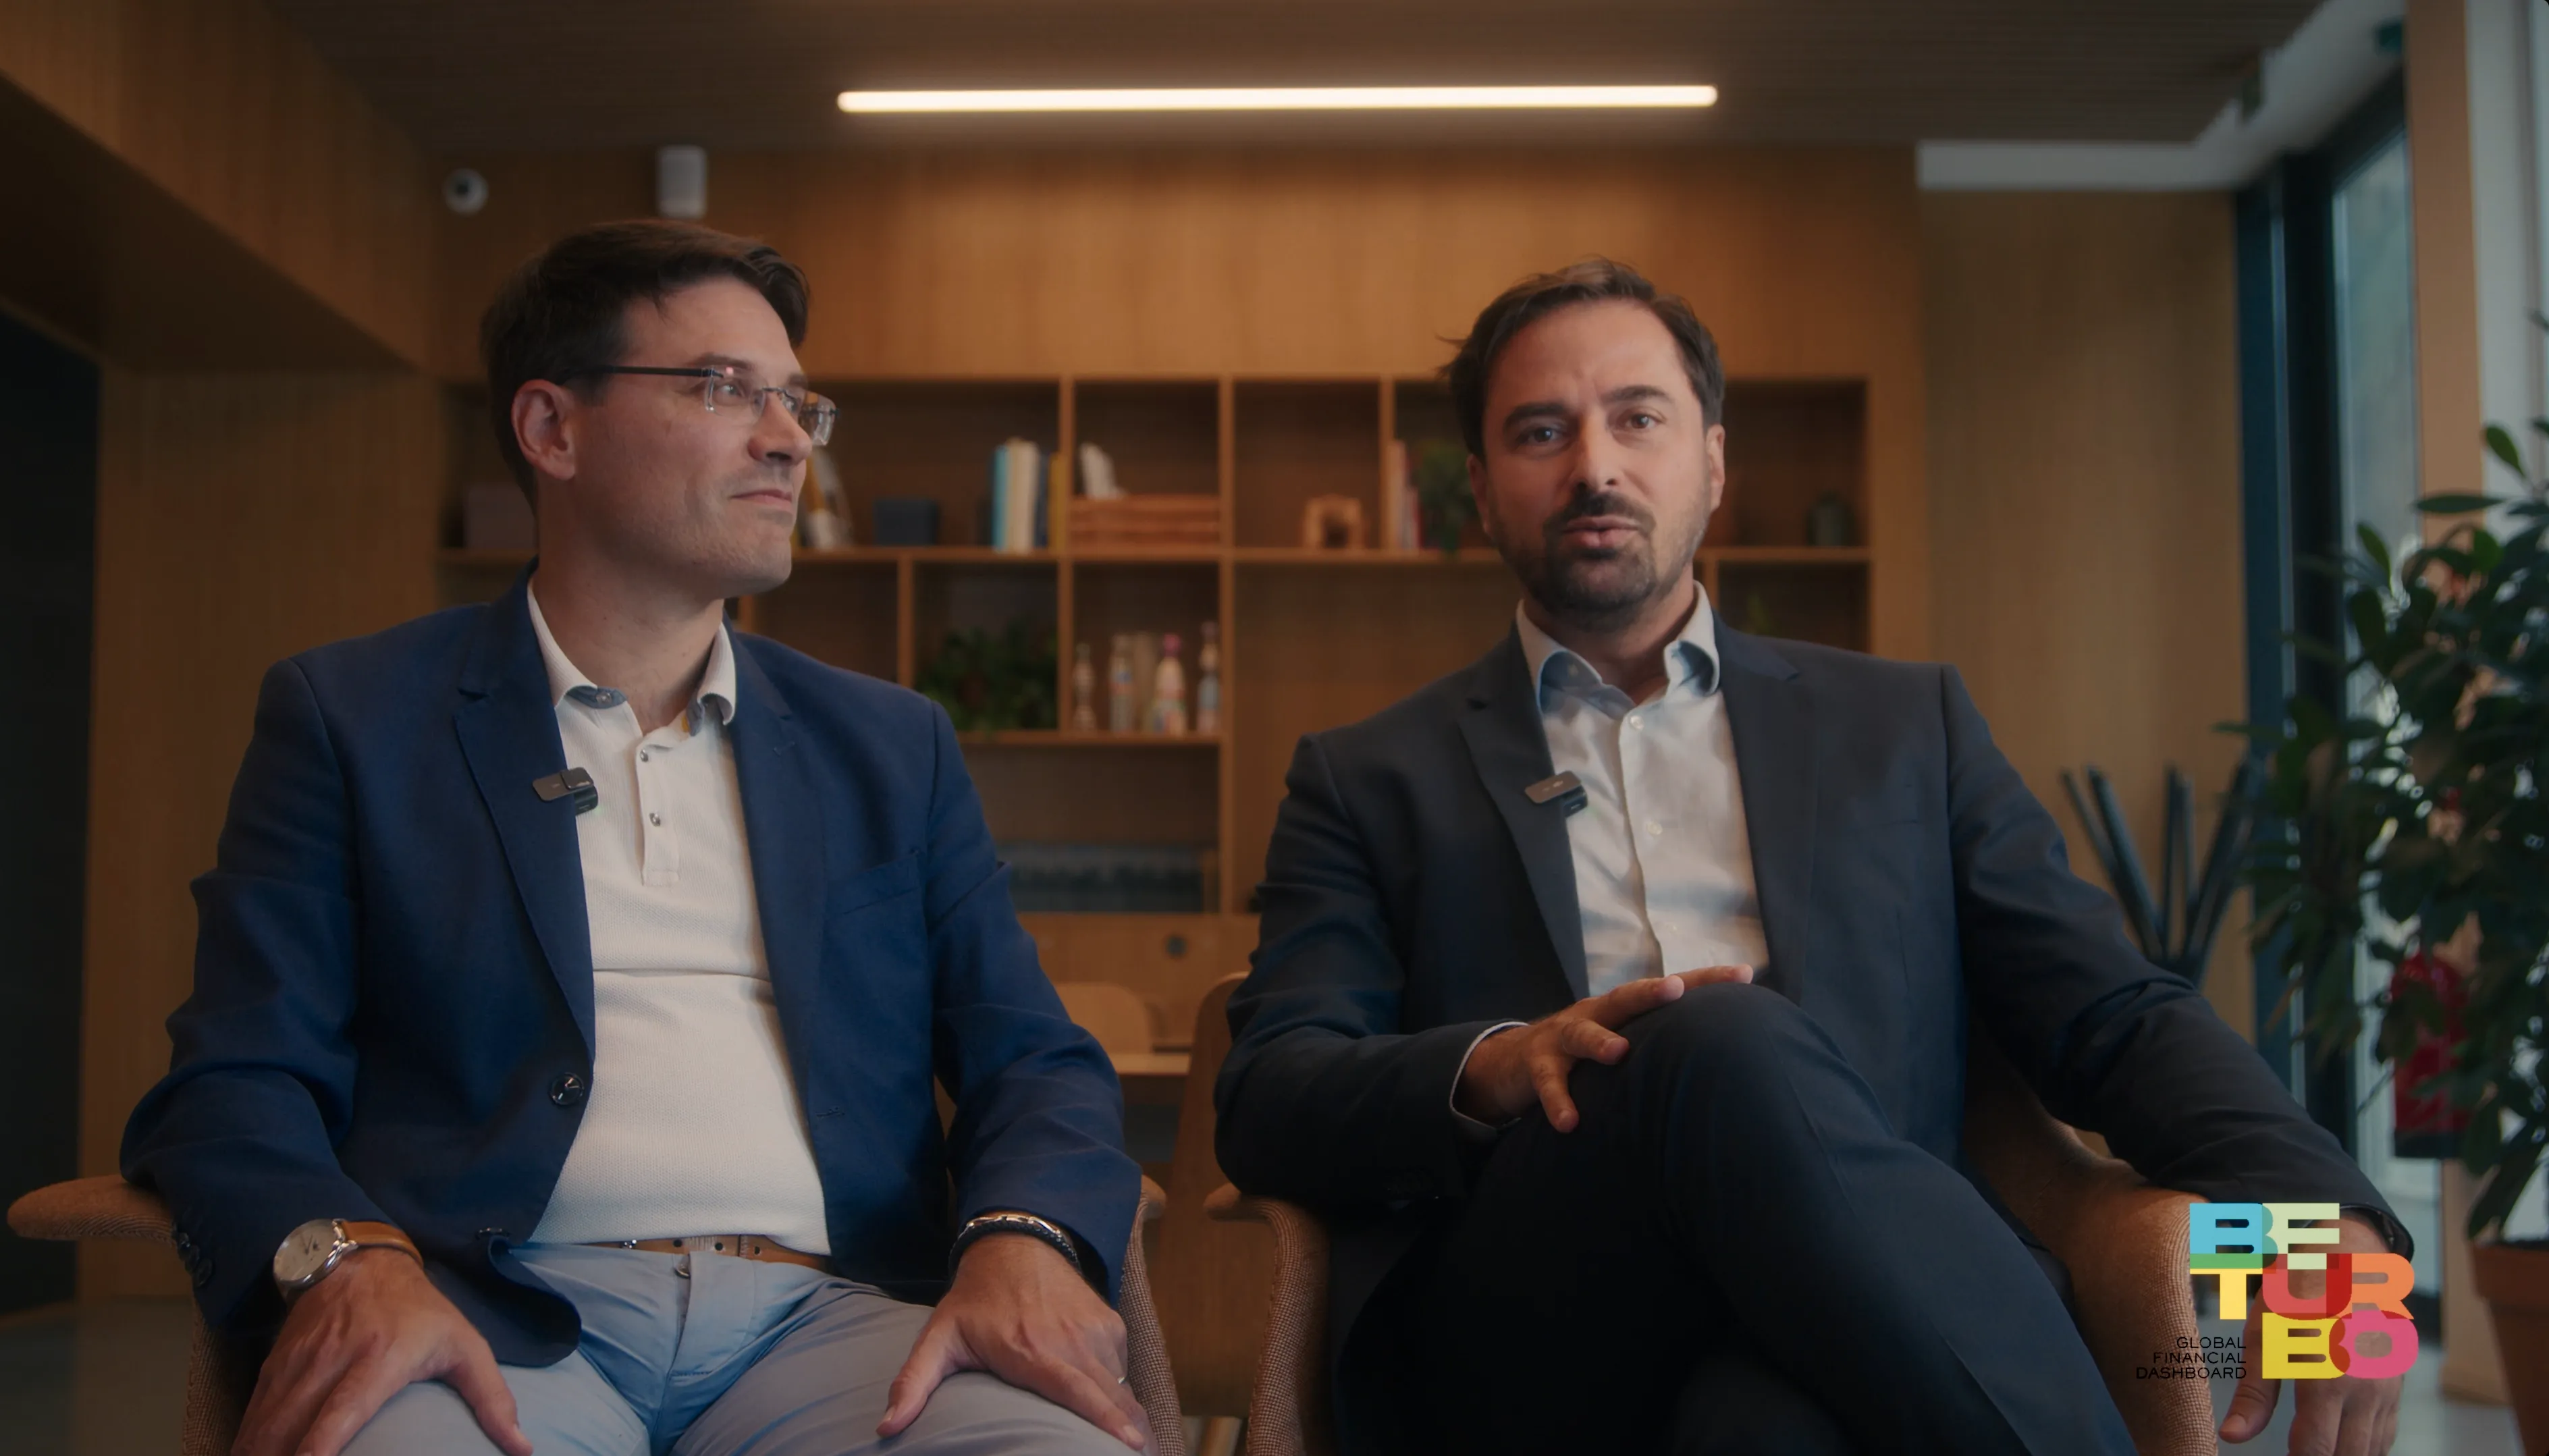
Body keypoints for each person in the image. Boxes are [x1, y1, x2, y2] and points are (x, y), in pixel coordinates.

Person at [1212, 259, 2410, 1456]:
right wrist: (1492, 1067)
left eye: (1639, 418)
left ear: (1716, 462)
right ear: (1480, 488)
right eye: (1541, 432)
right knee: (1715, 1037)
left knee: (1766, 1431)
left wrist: (2336, 1231)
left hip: (1859, 1304)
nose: (1595, 466)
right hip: (1537, 1324)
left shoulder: (1905, 728)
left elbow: (2112, 1012)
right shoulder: (1366, 776)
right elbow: (1270, 1096)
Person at [122, 221, 1148, 1456]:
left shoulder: (889, 743)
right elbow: (236, 1079)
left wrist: (1021, 1239)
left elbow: (1034, 1060)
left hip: (838, 1320)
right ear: (551, 430)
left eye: (797, 404)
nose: (785, 439)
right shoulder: (352, 720)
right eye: (725, 389)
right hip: (484, 1315)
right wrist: (344, 1259)